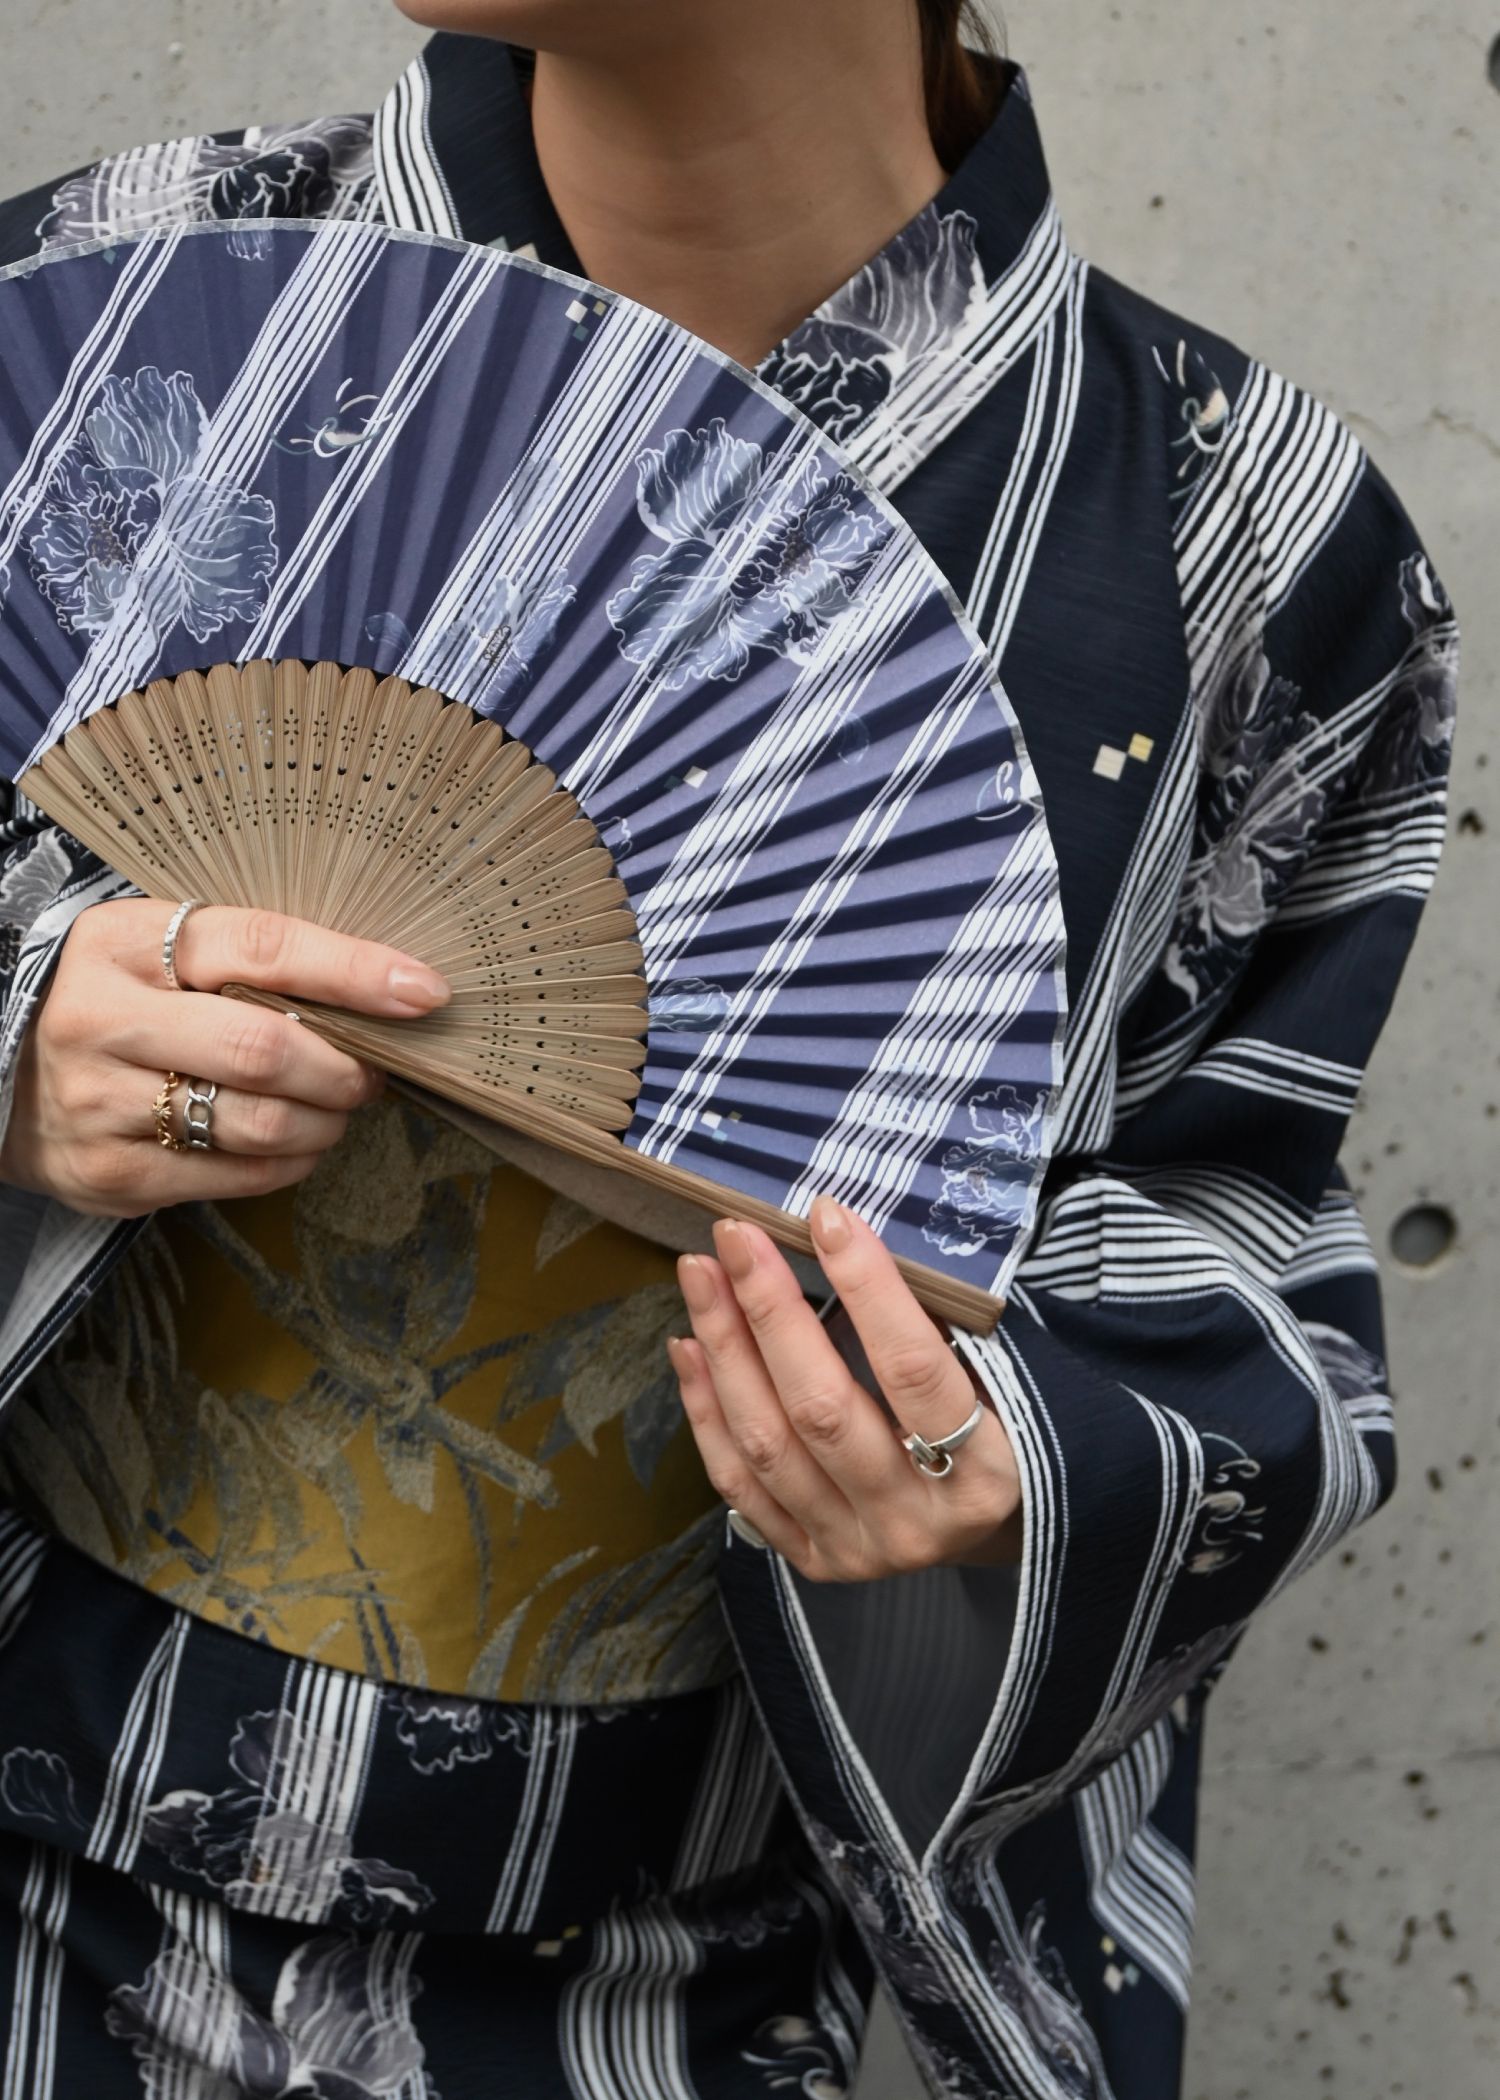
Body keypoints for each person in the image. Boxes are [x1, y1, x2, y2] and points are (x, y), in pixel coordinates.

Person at [0, 4, 1458, 2096]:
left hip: (667, 1992)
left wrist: (1000, 1462)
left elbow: (1238, 1239)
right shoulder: (130, 289)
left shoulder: (1239, 537)